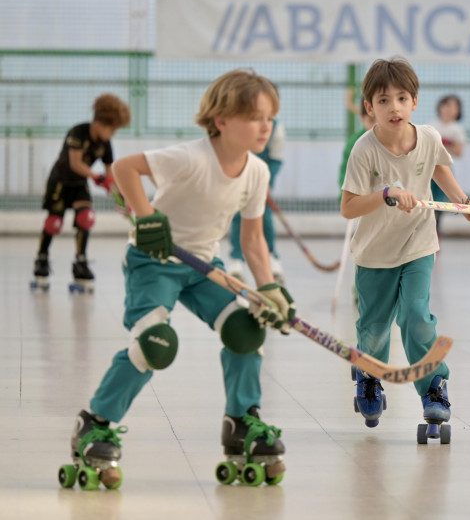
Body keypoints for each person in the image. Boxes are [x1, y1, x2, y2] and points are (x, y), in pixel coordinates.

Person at [60, 69, 297, 490]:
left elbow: (254, 238)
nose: (267, 126)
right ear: (222, 121)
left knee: (246, 331)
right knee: (156, 345)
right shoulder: (191, 158)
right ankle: (94, 422)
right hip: (152, 261)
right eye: (256, 117)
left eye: (271, 117)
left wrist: (268, 290)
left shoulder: (257, 172)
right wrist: (146, 217)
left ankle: (241, 422)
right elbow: (124, 168)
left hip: (203, 266)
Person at [340, 58, 470, 432]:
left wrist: (463, 202)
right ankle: (369, 375)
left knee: (416, 315)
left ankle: (434, 387)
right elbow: (349, 207)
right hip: (374, 252)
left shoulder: (429, 138)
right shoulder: (364, 150)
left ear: (415, 102)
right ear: (369, 107)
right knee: (373, 328)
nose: (394, 107)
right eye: (384, 100)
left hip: (419, 244)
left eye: (402, 98)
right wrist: (386, 193)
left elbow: (438, 165)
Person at [31, 94, 131, 292]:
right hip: (59, 181)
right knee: (54, 223)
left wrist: (121, 197)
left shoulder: (105, 144)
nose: (113, 133)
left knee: (86, 218)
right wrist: (97, 177)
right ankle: (41, 259)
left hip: (79, 184)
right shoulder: (78, 132)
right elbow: (75, 163)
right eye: (111, 128)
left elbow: (111, 175)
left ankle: (80, 262)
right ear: (99, 123)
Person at [225, 111, 287, 284]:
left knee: (264, 216)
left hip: (262, 177)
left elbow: (276, 159)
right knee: (238, 215)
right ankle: (236, 259)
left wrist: (267, 181)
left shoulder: (277, 128)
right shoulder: (237, 124)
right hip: (238, 174)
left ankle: (272, 257)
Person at [429, 94, 466, 237]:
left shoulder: (456, 129)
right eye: (446, 105)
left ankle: (437, 225)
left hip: (446, 166)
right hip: (430, 166)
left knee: (441, 196)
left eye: (454, 106)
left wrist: (447, 143)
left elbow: (459, 151)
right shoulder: (432, 125)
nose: (449, 109)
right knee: (428, 194)